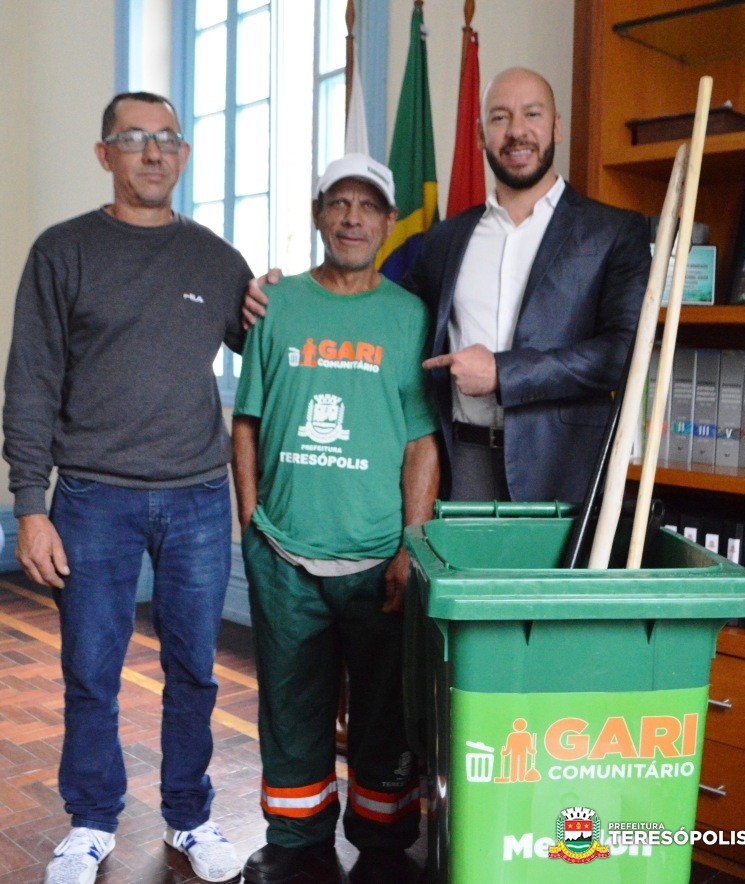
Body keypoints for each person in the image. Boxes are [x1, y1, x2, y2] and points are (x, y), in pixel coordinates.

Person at [2, 91, 251, 884]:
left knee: (195, 672)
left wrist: (280, 300)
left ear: (184, 154)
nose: (152, 152)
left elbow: (270, 344)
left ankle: (190, 814)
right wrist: (30, 506)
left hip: (199, 498)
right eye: (134, 138)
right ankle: (92, 820)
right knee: (90, 671)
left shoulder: (217, 260)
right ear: (104, 153)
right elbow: (30, 383)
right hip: (91, 499)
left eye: (166, 138)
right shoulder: (63, 251)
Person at [243, 68, 651, 505]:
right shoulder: (445, 240)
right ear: (480, 135)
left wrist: (503, 373)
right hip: (461, 465)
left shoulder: (614, 232)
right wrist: (284, 299)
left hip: (564, 469)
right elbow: (372, 311)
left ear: (556, 126)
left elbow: (623, 354)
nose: (517, 131)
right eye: (500, 117)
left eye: (532, 114)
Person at [232, 153, 439, 884]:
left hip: (379, 557)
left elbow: (420, 442)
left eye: (368, 206)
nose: (353, 218)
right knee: (292, 708)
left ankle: (383, 841)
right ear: (319, 214)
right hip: (285, 556)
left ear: (388, 221)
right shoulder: (277, 305)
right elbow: (247, 421)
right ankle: (296, 838)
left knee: (385, 714)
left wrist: (410, 546)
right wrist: (252, 524)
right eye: (339, 203)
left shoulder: (409, 316)